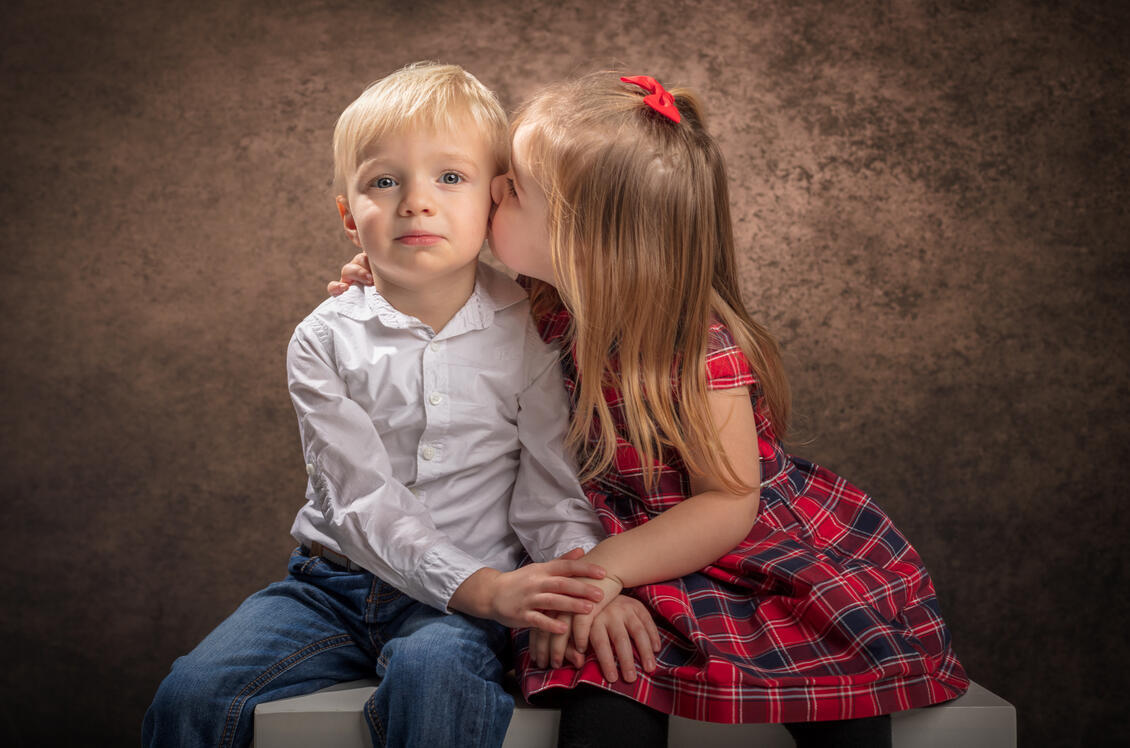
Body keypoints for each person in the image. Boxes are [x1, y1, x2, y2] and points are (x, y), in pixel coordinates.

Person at [332, 70, 970, 747]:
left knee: (834, 689)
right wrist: (385, 280)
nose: (491, 190)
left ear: (584, 240)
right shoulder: (532, 303)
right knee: (604, 698)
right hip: (585, 539)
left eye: (513, 189)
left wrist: (603, 571)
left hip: (722, 552)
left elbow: (726, 502)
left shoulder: (692, 350)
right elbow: (436, 309)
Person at [142, 62, 661, 748]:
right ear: (348, 216)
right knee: (192, 692)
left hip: (474, 602)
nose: (416, 202)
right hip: (333, 586)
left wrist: (580, 582)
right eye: (384, 183)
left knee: (433, 674)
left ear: (494, 202)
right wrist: (475, 586)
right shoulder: (323, 340)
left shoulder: (532, 325)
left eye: (450, 178)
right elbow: (359, 501)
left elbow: (549, 481)